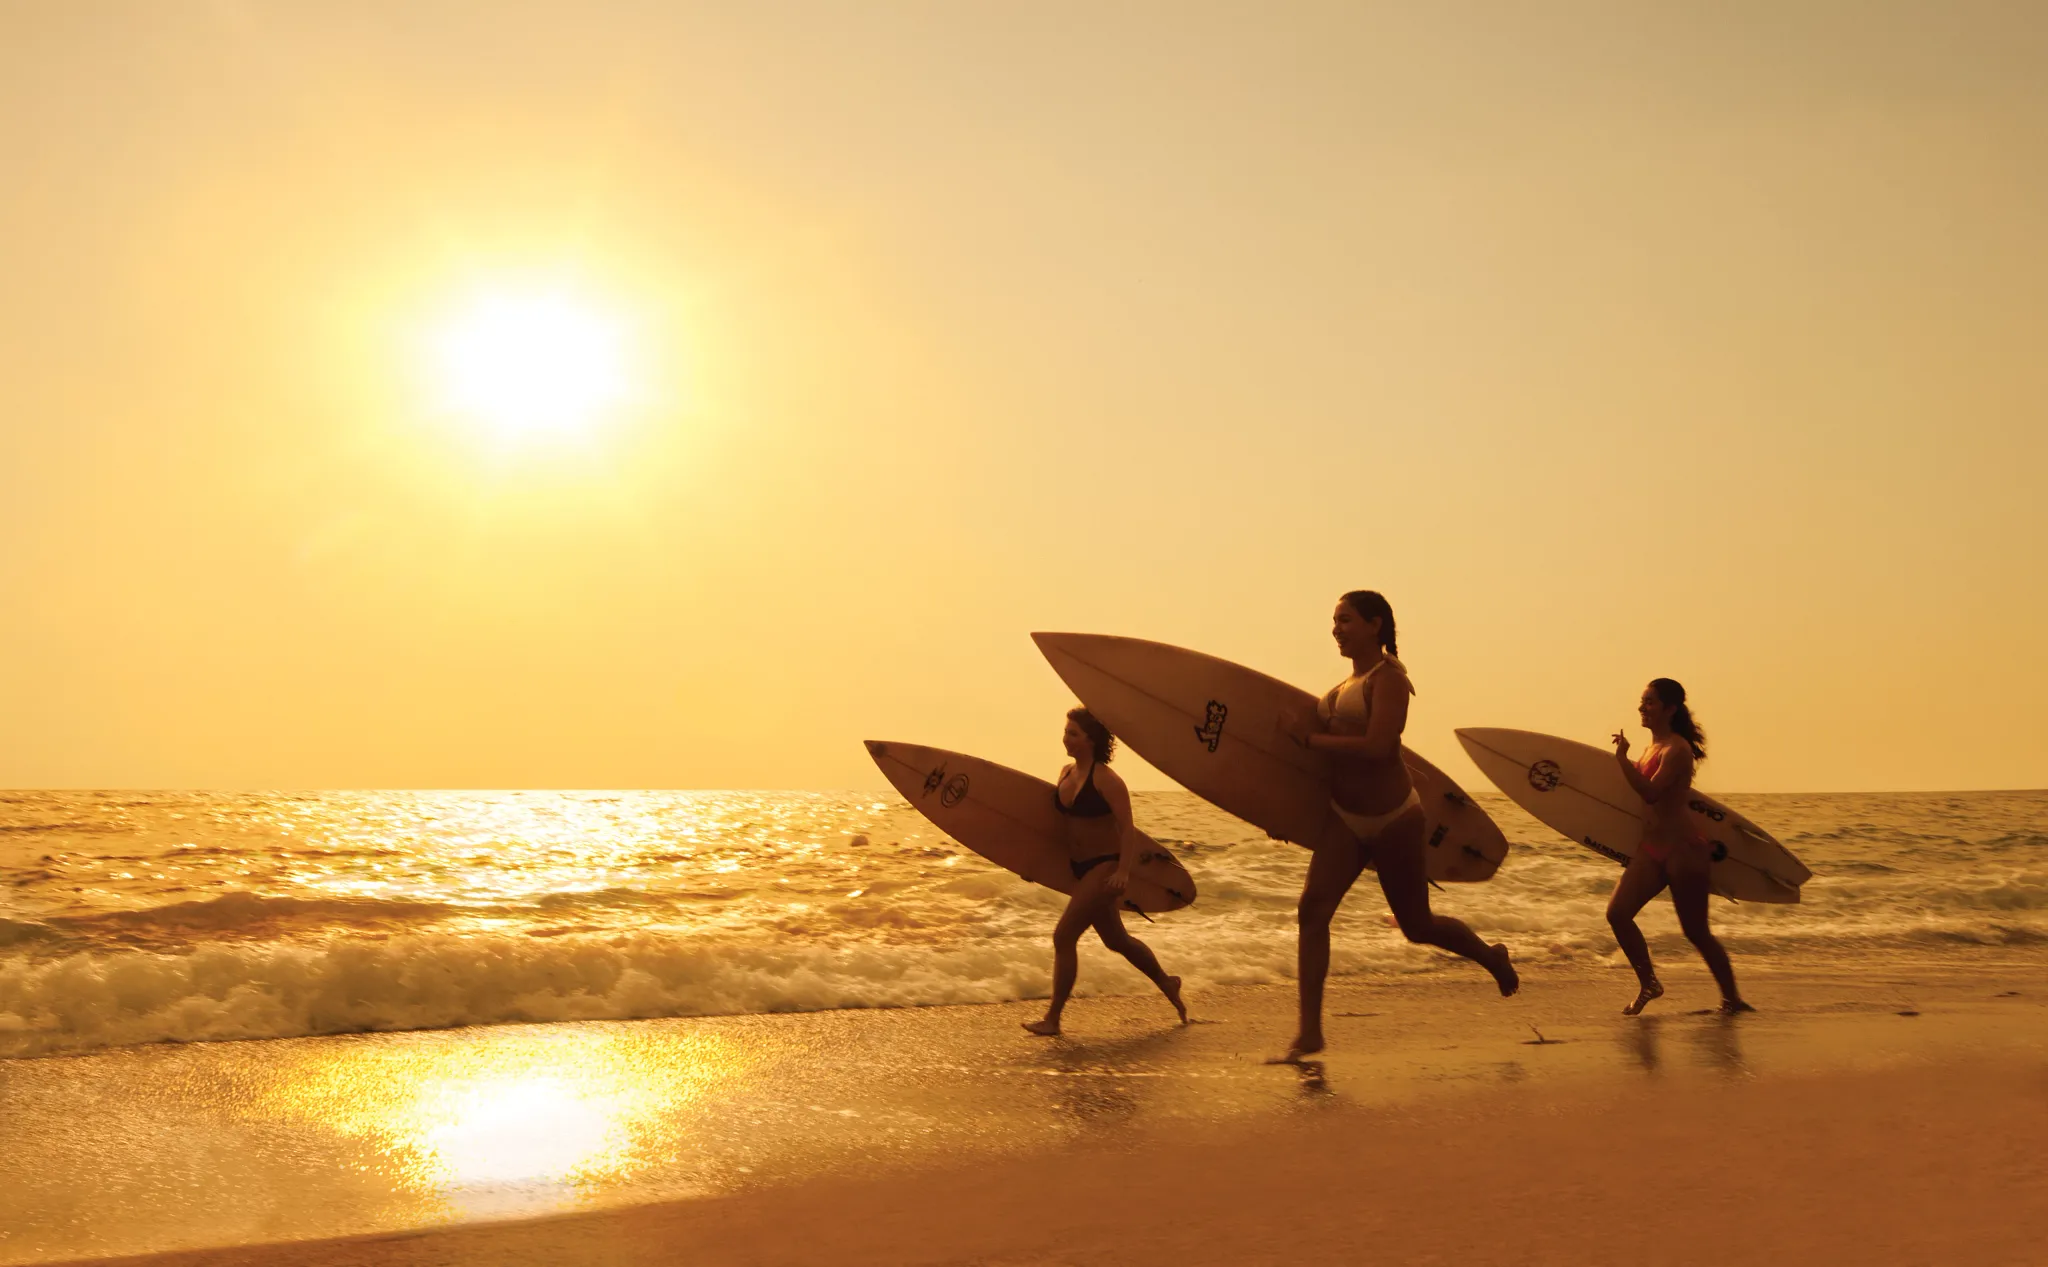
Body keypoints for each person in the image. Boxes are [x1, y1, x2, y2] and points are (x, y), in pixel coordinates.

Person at [1281, 591, 1518, 1060]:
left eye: (1346, 620)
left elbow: (1377, 746)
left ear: (1375, 624)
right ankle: (1310, 1032)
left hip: (1393, 819)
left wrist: (1308, 737)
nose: (1336, 628)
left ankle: (1492, 956)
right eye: (1334, 620)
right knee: (1312, 912)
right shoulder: (1341, 687)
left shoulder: (1389, 680)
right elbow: (1322, 768)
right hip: (1344, 819)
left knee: (1417, 925)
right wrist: (1279, 812)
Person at [1023, 708, 1189, 1036]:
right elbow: (1059, 829)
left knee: (1063, 935)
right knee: (1117, 940)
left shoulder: (1108, 781)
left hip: (1105, 867)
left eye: (1073, 733)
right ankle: (1167, 982)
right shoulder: (1065, 773)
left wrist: (1124, 873)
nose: (1065, 738)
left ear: (1091, 739)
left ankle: (1053, 1019)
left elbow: (1128, 830)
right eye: (1066, 731)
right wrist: (1033, 865)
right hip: (1080, 869)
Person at [1607, 678, 1753, 1015]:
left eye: (1650, 702)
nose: (1642, 707)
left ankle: (1732, 998)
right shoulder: (1651, 748)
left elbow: (1651, 792)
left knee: (1696, 931)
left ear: (1670, 709)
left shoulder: (1677, 750)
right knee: (1617, 913)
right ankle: (1649, 983)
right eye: (1642, 701)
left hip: (1685, 850)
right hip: (1652, 849)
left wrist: (1620, 759)